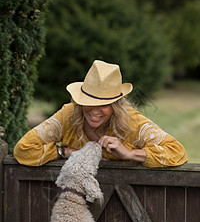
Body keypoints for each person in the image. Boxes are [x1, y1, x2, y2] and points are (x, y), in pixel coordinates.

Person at [14, 60, 188, 168]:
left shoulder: (132, 121)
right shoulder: (68, 115)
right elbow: (23, 150)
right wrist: (66, 152)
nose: (95, 110)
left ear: (116, 105)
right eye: (88, 102)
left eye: (104, 104)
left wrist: (129, 154)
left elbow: (177, 153)